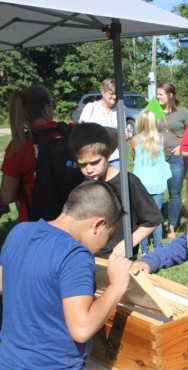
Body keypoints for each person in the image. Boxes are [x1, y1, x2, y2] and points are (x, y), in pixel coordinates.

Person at [0, 180, 132, 370]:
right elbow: (81, 328)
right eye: (109, 234)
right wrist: (117, 285)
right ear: (98, 224)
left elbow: (4, 284)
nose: (105, 242)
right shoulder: (75, 254)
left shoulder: (20, 231)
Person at [68, 123, 164, 259]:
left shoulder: (129, 182)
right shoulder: (80, 183)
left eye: (95, 162)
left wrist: (127, 244)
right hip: (87, 258)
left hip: (118, 259)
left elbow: (153, 219)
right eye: (82, 164)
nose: (89, 169)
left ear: (108, 154)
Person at [0, 84, 83, 223]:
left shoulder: (19, 145)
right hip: (74, 218)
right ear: (46, 109)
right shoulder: (72, 131)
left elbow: (7, 196)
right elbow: (114, 135)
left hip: (35, 222)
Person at [131, 109, 172, 255]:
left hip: (141, 184)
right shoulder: (162, 140)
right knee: (157, 216)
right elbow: (164, 158)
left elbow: (134, 157)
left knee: (143, 218)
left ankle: (144, 249)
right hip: (158, 182)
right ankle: (159, 248)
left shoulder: (135, 140)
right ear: (155, 123)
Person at [156, 82, 188, 239]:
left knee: (175, 193)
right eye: (156, 94)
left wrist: (182, 147)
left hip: (176, 157)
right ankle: (156, 225)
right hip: (156, 157)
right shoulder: (154, 110)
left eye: (160, 94)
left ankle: (171, 227)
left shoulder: (183, 112)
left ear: (170, 95)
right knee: (156, 192)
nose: (157, 97)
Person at [79, 79, 124, 169]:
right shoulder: (91, 107)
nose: (114, 97)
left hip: (116, 159)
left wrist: (125, 135)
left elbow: (124, 131)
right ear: (102, 91)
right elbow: (80, 131)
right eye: (111, 93)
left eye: (116, 93)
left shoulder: (120, 109)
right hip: (95, 159)